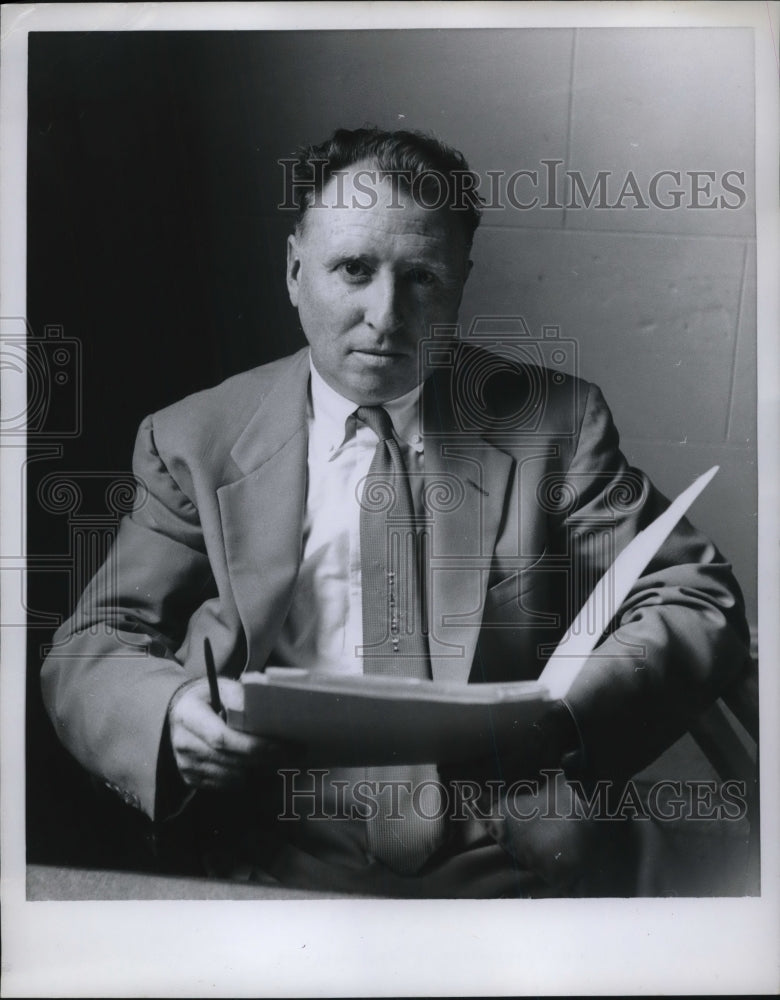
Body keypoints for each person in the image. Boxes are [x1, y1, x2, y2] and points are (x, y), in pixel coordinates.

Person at [41, 127, 751, 897]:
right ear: (293, 270)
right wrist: (172, 713)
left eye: (421, 277)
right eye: (353, 269)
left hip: (515, 816)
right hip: (271, 821)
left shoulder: (555, 422)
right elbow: (96, 638)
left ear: (460, 284)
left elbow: (691, 593)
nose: (387, 313)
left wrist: (567, 722)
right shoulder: (193, 438)